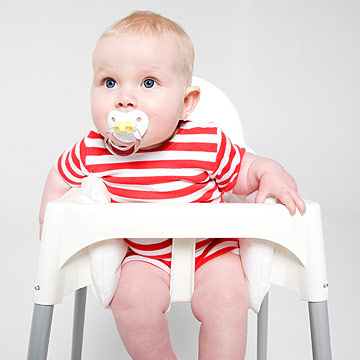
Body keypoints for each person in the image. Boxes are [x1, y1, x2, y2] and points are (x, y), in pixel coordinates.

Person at [39, 11, 306, 360]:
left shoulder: (205, 141)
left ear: (186, 103)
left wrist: (272, 173)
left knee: (228, 299)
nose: (124, 98)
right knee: (130, 301)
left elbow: (246, 170)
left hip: (211, 252)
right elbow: (60, 175)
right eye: (109, 82)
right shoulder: (93, 148)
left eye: (148, 82)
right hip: (145, 255)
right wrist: (51, 220)